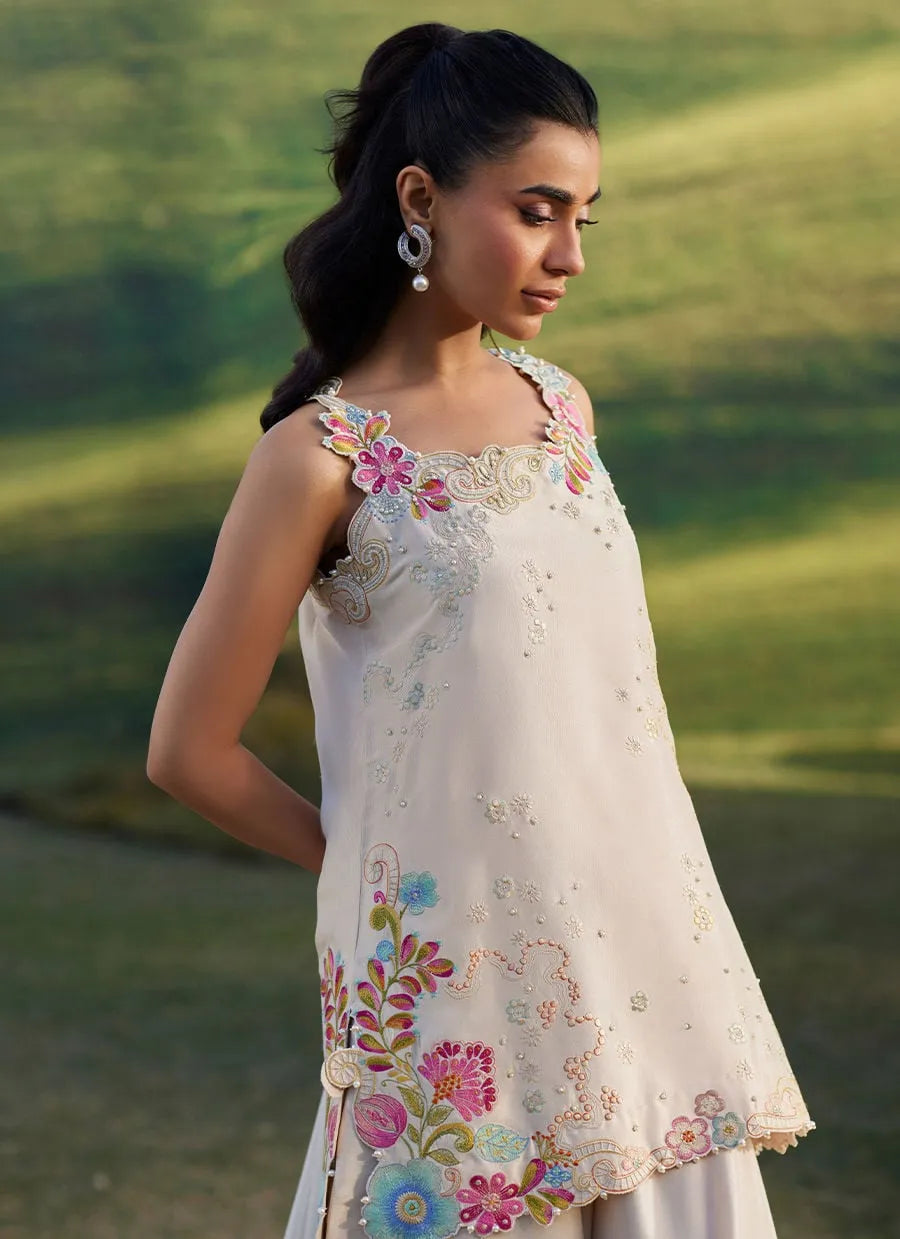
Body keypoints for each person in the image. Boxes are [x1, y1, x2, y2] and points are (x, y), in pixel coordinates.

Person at [146, 21, 816, 1239]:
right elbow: (188, 752)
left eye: (585, 218)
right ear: (422, 198)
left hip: (643, 966)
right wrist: (386, 878)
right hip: (452, 996)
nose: (568, 254)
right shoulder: (319, 459)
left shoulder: (562, 407)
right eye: (537, 209)